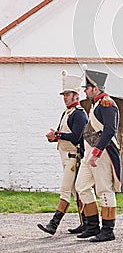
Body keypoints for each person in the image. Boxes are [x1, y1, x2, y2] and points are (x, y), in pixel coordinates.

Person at [37, 70, 88, 235]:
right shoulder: (66, 113)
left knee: (66, 190)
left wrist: (57, 135)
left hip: (74, 158)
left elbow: (75, 137)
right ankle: (86, 223)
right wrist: (54, 137)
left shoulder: (80, 114)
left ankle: (54, 224)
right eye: (64, 95)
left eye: (68, 94)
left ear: (76, 96)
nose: (65, 97)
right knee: (77, 192)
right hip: (65, 157)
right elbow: (63, 133)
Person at [75, 69, 121, 243]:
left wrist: (97, 152)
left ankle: (108, 230)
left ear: (95, 88)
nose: (85, 91)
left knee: (104, 190)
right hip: (90, 153)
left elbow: (110, 130)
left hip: (102, 153)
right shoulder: (96, 104)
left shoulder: (107, 104)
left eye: (87, 88)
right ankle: (93, 226)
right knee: (82, 187)